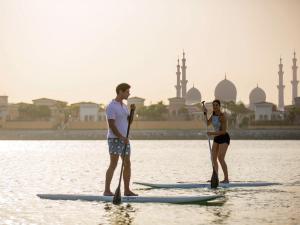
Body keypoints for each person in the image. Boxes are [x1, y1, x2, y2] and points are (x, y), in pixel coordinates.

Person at [103, 83, 137, 196]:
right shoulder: (111, 106)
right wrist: (121, 137)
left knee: (127, 163)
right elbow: (111, 125)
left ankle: (127, 190)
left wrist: (132, 112)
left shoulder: (124, 106)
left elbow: (129, 122)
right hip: (114, 139)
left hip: (125, 139)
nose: (129, 93)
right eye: (127, 91)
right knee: (114, 164)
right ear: (120, 92)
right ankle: (107, 190)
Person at [203, 99, 230, 183]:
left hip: (224, 137)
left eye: (216, 105)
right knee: (213, 158)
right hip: (217, 137)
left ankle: (226, 179)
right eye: (213, 105)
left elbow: (224, 131)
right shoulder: (213, 115)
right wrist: (205, 113)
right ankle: (215, 177)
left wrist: (211, 133)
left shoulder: (222, 116)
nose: (215, 107)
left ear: (219, 106)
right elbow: (207, 123)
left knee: (220, 158)